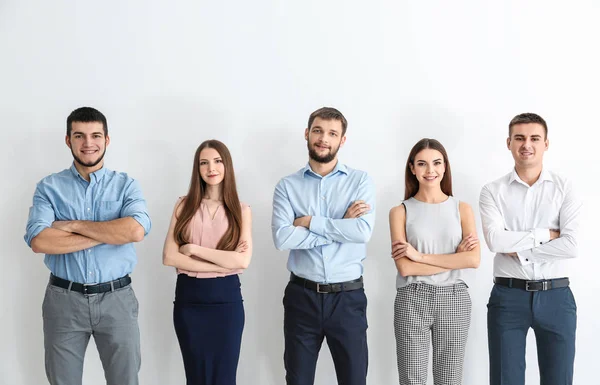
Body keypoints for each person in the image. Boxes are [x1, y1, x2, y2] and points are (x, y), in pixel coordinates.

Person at [24, 107, 151, 385]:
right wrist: (110, 231)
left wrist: (71, 224)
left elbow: (135, 230)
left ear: (107, 139)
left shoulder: (126, 185)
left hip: (117, 298)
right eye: (79, 135)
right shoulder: (49, 187)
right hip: (63, 300)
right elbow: (39, 241)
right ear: (68, 140)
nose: (88, 143)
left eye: (95, 135)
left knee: (125, 381)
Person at [271, 107, 375, 385]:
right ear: (307, 134)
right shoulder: (287, 186)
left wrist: (309, 222)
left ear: (342, 140)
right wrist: (341, 225)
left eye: (332, 133)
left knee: (354, 380)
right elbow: (282, 238)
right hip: (301, 297)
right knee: (298, 380)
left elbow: (362, 231)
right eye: (318, 131)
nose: (323, 138)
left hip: (348, 298)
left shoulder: (360, 181)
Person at [480, 113, 581, 385]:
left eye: (535, 138)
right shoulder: (492, 191)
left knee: (559, 379)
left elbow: (570, 244)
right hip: (508, 296)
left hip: (557, 296)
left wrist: (521, 250)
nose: (527, 144)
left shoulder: (565, 187)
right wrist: (547, 235)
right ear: (509, 143)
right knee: (505, 379)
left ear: (546, 143)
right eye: (520, 138)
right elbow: (495, 241)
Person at [389, 138, 480, 385]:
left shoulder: (462, 209)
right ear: (412, 168)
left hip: (454, 297)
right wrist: (453, 259)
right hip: (412, 297)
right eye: (422, 164)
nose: (430, 171)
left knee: (450, 379)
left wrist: (420, 256)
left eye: (437, 163)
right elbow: (405, 267)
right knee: (412, 378)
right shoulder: (400, 212)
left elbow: (472, 259)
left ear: (445, 166)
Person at [162, 139, 252, 385]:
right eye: (204, 163)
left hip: (227, 303)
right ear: (197, 168)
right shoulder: (184, 205)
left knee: (224, 379)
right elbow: (169, 257)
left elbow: (242, 261)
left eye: (217, 161)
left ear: (227, 165)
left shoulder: (241, 210)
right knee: (196, 378)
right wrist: (222, 264)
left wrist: (192, 249)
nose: (211, 168)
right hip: (189, 301)